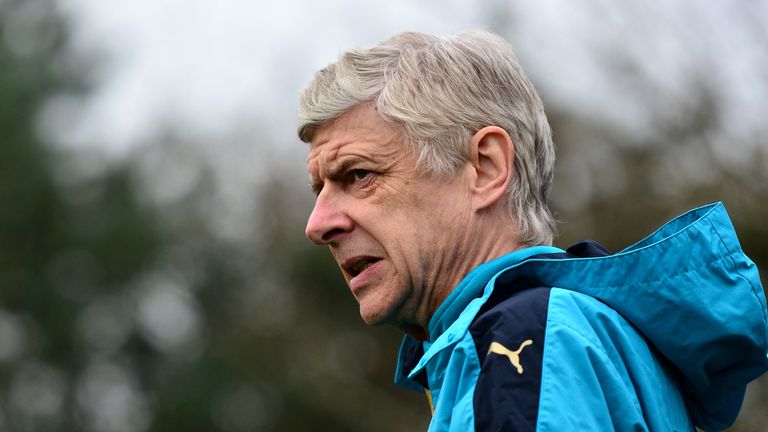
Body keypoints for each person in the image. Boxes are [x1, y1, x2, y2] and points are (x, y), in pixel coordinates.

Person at [297, 30, 768, 431]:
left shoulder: (524, 343)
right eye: (319, 190)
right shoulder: (566, 337)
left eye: (359, 175)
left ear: (485, 168)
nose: (318, 224)